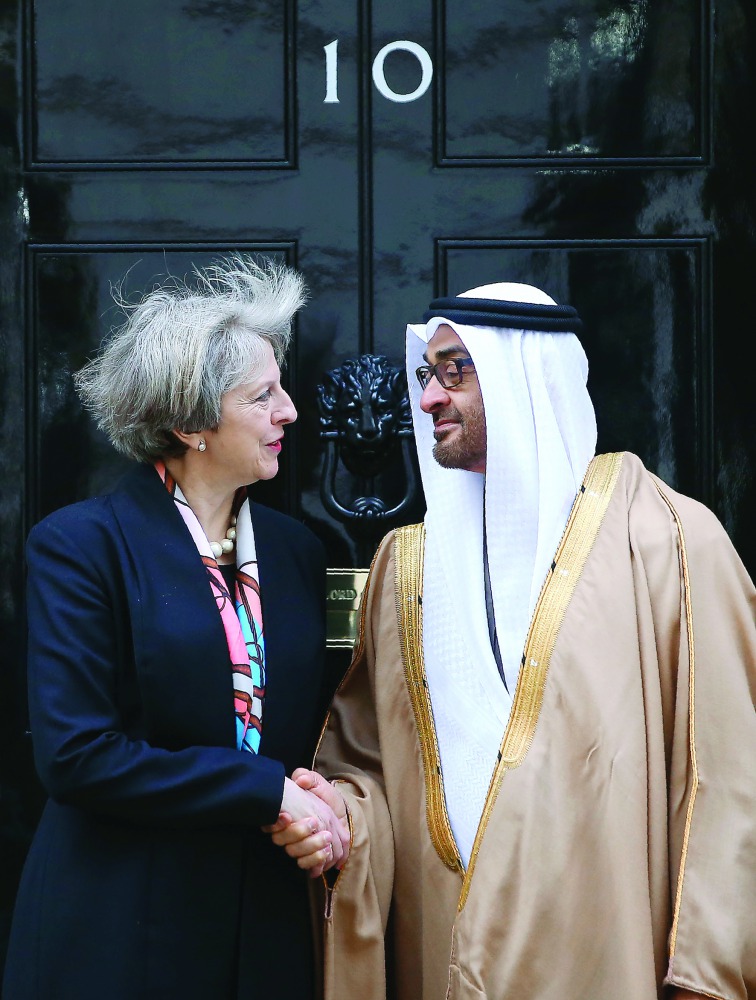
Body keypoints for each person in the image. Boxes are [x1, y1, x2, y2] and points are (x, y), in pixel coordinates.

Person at [269, 282, 756, 999]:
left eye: (456, 370)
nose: (429, 397)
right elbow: (370, 762)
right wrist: (341, 818)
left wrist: (707, 974)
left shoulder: (668, 542)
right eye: (427, 374)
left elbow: (727, 779)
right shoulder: (405, 569)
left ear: (525, 374)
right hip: (441, 954)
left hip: (609, 956)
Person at [2, 255, 349, 1000]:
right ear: (191, 423)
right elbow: (78, 756)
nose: (290, 410)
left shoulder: (297, 553)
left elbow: (318, 728)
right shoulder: (81, 547)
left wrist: (325, 801)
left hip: (266, 934)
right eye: (263, 396)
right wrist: (265, 792)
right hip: (121, 932)